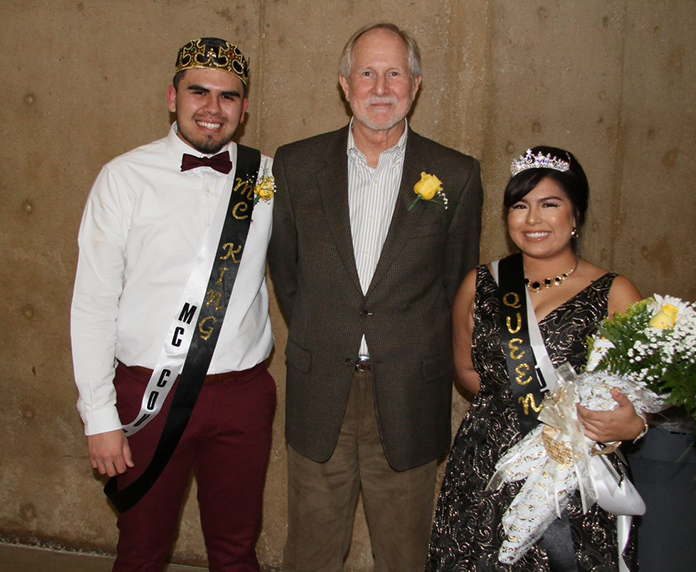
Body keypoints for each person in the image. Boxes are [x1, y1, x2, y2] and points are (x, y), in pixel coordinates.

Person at [268, 22, 484, 572]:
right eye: (368, 73)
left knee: (406, 554)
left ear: (415, 85)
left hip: (410, 392)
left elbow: (458, 286)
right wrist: (330, 329)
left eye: (394, 74)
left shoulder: (455, 176)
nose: (380, 87)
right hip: (322, 391)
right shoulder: (295, 166)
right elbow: (286, 273)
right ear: (345, 83)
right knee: (310, 552)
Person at [70, 37, 276, 572]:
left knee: (236, 553)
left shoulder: (272, 179)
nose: (213, 108)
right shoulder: (123, 178)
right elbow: (93, 304)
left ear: (244, 107)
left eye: (228, 97)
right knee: (141, 551)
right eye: (198, 92)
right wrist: (99, 416)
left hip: (243, 397)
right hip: (145, 394)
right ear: (172, 97)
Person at [426, 145, 647, 571]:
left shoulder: (616, 293)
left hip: (574, 471)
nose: (532, 220)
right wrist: (508, 414)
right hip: (485, 468)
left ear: (576, 214)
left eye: (550, 204)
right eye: (520, 206)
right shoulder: (480, 284)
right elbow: (467, 371)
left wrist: (631, 423)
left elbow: (640, 395)